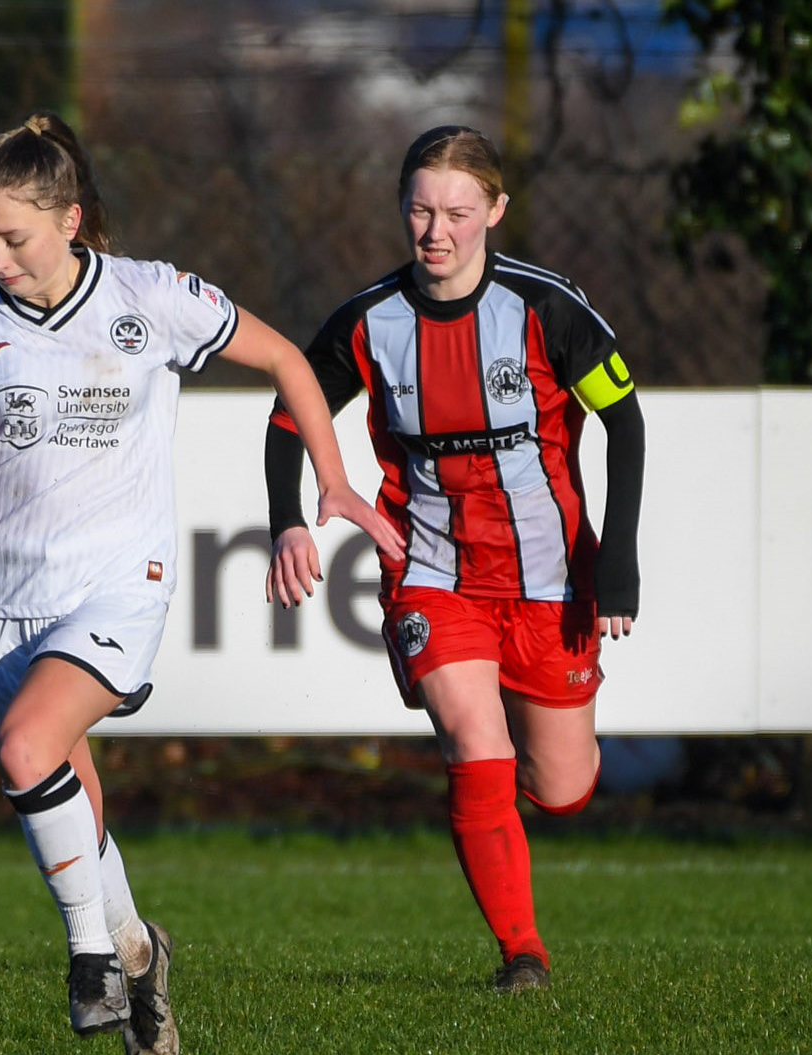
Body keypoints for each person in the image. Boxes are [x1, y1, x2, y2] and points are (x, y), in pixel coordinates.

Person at [0, 111, 405, 1055]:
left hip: (119, 584)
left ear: (71, 219)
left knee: (28, 744)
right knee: (65, 793)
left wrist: (330, 478)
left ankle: (91, 957)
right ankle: (139, 955)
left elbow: (290, 360)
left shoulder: (150, 297)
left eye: (16, 237)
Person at [263, 125, 645, 992]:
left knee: (563, 786)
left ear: (496, 212)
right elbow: (292, 415)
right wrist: (287, 518)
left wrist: (616, 555)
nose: (436, 231)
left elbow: (625, 419)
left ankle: (524, 726)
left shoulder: (544, 310)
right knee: (476, 748)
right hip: (430, 570)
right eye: (421, 211)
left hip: (550, 579)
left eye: (458, 213)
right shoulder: (369, 322)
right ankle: (523, 954)